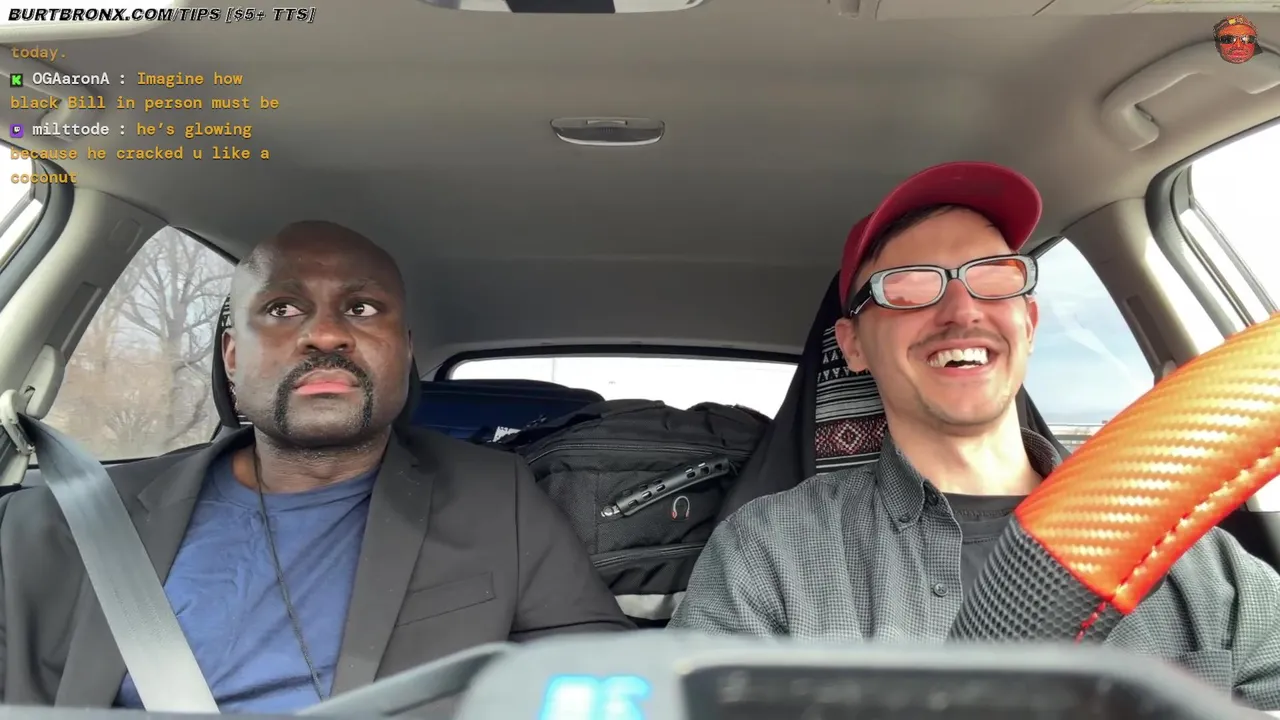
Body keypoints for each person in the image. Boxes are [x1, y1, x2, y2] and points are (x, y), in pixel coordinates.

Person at [668, 162, 1280, 709]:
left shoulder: (1197, 560)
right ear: (853, 346)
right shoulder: (770, 551)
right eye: (908, 285)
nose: (962, 310)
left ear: (1029, 322)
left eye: (994, 276)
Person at [0, 221, 632, 712]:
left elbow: (599, 680)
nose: (326, 335)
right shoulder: (63, 521)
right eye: (282, 309)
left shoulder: (497, 498)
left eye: (362, 309)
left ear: (404, 352)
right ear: (231, 357)